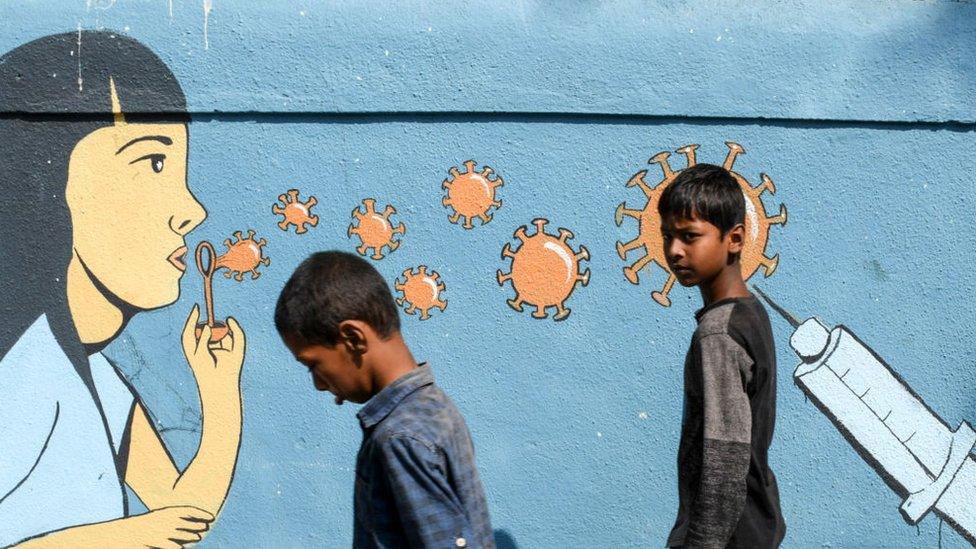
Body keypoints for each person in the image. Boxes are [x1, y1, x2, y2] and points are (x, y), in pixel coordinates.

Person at [0, 31, 245, 548]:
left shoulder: (96, 379)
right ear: (53, 183)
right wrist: (119, 539)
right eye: (154, 164)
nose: (193, 211)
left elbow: (183, 513)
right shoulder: (19, 369)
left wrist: (219, 391)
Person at [275, 251, 494, 548]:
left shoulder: (399, 437)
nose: (317, 383)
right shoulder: (433, 404)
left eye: (313, 364)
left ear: (353, 338)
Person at [658, 164, 786, 548]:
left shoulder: (717, 333)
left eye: (689, 236)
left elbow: (724, 464)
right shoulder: (751, 312)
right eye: (667, 236)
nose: (674, 250)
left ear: (734, 239)